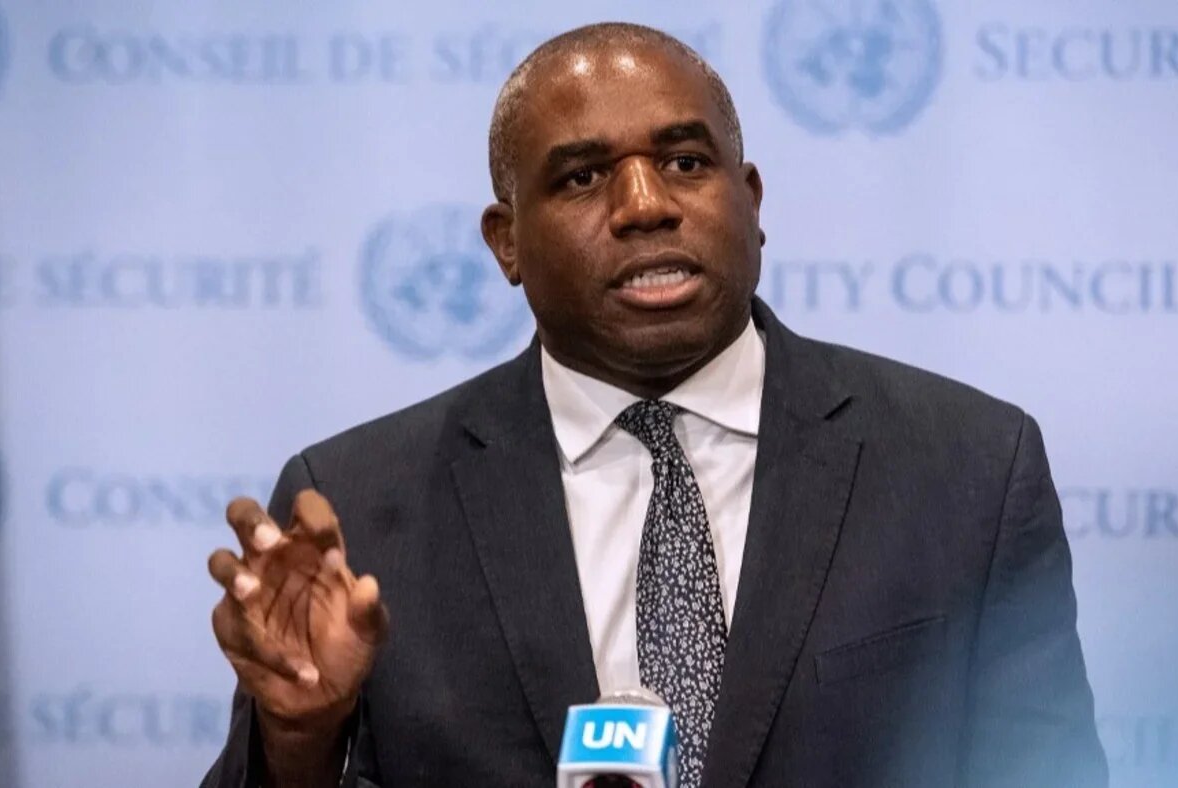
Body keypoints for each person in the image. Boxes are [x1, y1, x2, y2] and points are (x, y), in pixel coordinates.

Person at [200, 22, 1108, 788]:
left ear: (750, 204)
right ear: (506, 242)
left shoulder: (968, 467)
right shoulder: (358, 503)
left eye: (684, 160)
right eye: (583, 177)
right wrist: (299, 737)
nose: (645, 206)